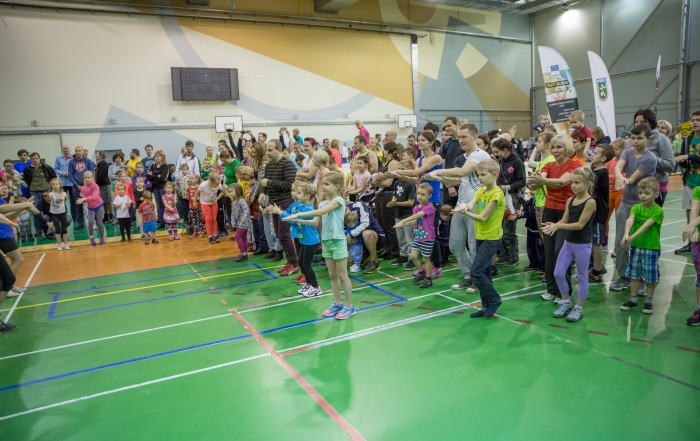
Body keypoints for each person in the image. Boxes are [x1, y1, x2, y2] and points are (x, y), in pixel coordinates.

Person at [424, 123, 490, 290]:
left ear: (475, 137)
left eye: (464, 137)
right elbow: (459, 180)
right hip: (461, 204)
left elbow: (462, 172)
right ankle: (468, 275)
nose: (461, 140)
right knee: (455, 243)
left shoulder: (480, 155)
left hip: (476, 205)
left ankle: (479, 280)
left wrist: (438, 172)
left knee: (474, 245)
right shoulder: (464, 157)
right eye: (459, 137)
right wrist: (437, 178)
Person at [284, 170, 355, 319]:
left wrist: (298, 214)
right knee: (332, 274)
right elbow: (314, 222)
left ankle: (349, 306)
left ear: (336, 186)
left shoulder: (339, 201)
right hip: (326, 241)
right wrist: (297, 220)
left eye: (327, 184)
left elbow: (320, 212)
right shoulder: (322, 203)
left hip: (337, 241)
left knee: (343, 275)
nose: (323, 187)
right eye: (323, 184)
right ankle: (337, 303)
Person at [528, 134, 582, 302]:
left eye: (559, 147)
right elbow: (536, 181)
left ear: (567, 148)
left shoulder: (574, 165)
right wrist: (533, 182)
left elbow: (562, 182)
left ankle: (563, 293)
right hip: (549, 210)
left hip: (566, 212)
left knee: (561, 251)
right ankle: (551, 289)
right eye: (553, 147)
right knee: (549, 251)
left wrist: (541, 180)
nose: (556, 150)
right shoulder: (549, 165)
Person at [542, 168, 598, 322]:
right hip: (568, 243)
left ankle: (578, 307)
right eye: (572, 182)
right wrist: (554, 224)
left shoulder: (590, 202)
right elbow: (565, 220)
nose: (573, 186)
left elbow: (579, 225)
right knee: (558, 273)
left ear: (587, 184)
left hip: (582, 245)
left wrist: (558, 226)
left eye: (577, 183)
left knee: (582, 277)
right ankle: (566, 302)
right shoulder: (570, 200)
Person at [453, 159, 506, 317]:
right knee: (485, 273)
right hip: (481, 236)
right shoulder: (481, 191)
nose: (479, 178)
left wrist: (466, 213)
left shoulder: (496, 195)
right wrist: (463, 207)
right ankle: (485, 306)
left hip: (492, 238)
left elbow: (483, 218)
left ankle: (495, 300)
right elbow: (470, 205)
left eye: (483, 175)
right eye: (478, 175)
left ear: (494, 175)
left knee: (476, 272)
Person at [610, 124, 658, 293]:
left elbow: (634, 178)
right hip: (626, 204)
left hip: (644, 207)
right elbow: (618, 167)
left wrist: (625, 180)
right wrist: (618, 175)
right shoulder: (628, 152)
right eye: (633, 138)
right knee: (620, 242)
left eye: (640, 138)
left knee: (641, 246)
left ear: (648, 139)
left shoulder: (650, 158)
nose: (635, 141)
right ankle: (624, 277)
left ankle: (643, 280)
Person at [390, 130, 444, 279]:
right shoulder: (419, 159)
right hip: (421, 200)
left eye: (423, 140)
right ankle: (429, 265)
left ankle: (437, 266)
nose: (419, 142)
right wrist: (398, 175)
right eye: (419, 140)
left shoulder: (435, 158)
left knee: (432, 234)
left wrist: (396, 172)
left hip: (432, 201)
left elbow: (416, 172)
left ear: (431, 142)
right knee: (423, 232)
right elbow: (416, 180)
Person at [619, 177, 663, 314]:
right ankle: (633, 300)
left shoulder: (658, 211)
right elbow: (630, 220)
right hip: (636, 247)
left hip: (651, 248)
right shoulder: (636, 207)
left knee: (650, 276)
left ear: (656, 194)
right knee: (634, 275)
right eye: (640, 193)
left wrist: (631, 237)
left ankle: (648, 302)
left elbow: (645, 226)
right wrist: (626, 234)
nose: (643, 196)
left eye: (647, 193)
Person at [259, 139, 298, 276]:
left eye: (270, 150)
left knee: (284, 235)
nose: (267, 153)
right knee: (279, 234)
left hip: (286, 203)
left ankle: (294, 263)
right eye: (267, 150)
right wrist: (263, 193)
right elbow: (264, 183)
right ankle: (289, 261)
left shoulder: (288, 165)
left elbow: (289, 185)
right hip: (274, 203)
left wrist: (269, 182)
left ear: (279, 150)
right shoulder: (269, 165)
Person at [277, 183, 320, 295]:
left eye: (299, 193)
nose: (297, 195)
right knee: (301, 262)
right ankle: (308, 284)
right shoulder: (302, 207)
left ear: (307, 196)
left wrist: (280, 213)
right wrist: (281, 213)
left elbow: (293, 219)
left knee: (307, 264)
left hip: (311, 241)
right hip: (304, 240)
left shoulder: (308, 209)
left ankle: (316, 287)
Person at [627, 109, 675, 206]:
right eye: (636, 122)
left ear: (651, 123)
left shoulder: (661, 139)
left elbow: (670, 166)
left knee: (651, 215)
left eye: (642, 122)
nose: (638, 124)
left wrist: (650, 158)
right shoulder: (629, 142)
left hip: (654, 187)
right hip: (633, 187)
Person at [491, 138, 526, 267]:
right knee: (499, 227)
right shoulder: (499, 161)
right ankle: (504, 255)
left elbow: (522, 181)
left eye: (497, 152)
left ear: (505, 150)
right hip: (500, 196)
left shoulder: (517, 162)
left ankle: (513, 256)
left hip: (512, 197)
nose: (496, 154)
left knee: (508, 228)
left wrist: (509, 187)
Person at [395, 183, 437, 288]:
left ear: (429, 196)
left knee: (426, 258)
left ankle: (428, 278)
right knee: (413, 256)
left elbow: (418, 215)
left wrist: (403, 220)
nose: (420, 196)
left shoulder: (429, 207)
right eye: (418, 193)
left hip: (427, 238)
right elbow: (416, 220)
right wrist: (405, 223)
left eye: (423, 194)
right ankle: (421, 273)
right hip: (418, 237)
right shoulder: (416, 207)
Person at [674, 110, 700, 255]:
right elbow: (685, 162)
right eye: (693, 120)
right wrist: (681, 161)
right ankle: (691, 242)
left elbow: (692, 157)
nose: (695, 122)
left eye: (698, 120)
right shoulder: (687, 140)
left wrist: (689, 156)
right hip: (690, 181)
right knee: (690, 211)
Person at [371, 142, 401, 260]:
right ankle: (388, 248)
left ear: (387, 150)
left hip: (388, 195)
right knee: (382, 224)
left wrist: (375, 182)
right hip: (382, 195)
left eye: (384, 149)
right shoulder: (388, 162)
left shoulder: (393, 163)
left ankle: (394, 250)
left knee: (389, 225)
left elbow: (388, 183)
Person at [588, 144, 611, 283]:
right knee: (593, 241)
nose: (592, 154)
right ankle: (597, 266)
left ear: (603, 158)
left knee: (597, 243)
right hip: (592, 213)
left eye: (595, 153)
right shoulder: (595, 170)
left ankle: (597, 271)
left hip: (598, 213)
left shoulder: (601, 172)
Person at [389, 160, 417, 269]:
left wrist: (396, 203)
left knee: (410, 238)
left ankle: (412, 259)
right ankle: (403, 256)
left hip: (408, 215)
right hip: (398, 214)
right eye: (399, 169)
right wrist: (393, 201)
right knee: (400, 238)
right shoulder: (397, 182)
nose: (400, 171)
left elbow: (410, 202)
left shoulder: (410, 184)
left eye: (403, 169)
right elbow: (395, 195)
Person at [24, 152, 57, 234]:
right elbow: (26, 179)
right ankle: (38, 229)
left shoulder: (46, 167)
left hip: (46, 190)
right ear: (30, 159)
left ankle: (50, 226)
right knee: (35, 210)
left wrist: (50, 186)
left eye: (36, 158)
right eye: (33, 159)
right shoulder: (27, 169)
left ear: (39, 158)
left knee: (49, 208)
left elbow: (54, 176)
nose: (35, 160)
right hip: (34, 191)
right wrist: (31, 185)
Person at [682, 184, 700, 326]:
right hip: (697, 240)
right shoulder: (698, 190)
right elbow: (694, 207)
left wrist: (693, 224)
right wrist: (694, 229)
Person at [193, 173, 228, 245]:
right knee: (208, 219)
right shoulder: (203, 185)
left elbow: (224, 191)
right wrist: (194, 201)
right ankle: (210, 236)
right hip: (205, 203)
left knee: (214, 219)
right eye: (216, 184)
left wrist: (230, 197)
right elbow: (197, 193)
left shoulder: (218, 184)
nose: (218, 185)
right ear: (211, 182)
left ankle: (215, 235)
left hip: (214, 203)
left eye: (218, 184)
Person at [68, 146, 95, 230]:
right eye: (76, 150)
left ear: (83, 151)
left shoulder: (89, 161)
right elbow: (70, 175)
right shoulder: (71, 162)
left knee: (91, 203)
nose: (78, 152)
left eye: (79, 150)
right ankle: (80, 222)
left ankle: (93, 221)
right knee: (78, 204)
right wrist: (77, 185)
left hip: (88, 185)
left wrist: (86, 184)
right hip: (76, 186)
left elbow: (92, 173)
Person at [606, 139, 625, 256]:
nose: (613, 151)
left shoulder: (625, 162)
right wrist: (614, 177)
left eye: (616, 149)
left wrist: (610, 176)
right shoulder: (611, 161)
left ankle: (617, 247)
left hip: (620, 192)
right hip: (609, 192)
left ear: (623, 150)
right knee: (604, 218)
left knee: (620, 221)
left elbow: (624, 176)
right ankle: (604, 244)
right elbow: (604, 172)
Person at [77, 171, 105, 246]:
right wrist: (82, 201)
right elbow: (86, 199)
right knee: (90, 222)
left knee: (99, 222)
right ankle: (91, 237)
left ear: (92, 178)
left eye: (89, 177)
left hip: (99, 205)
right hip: (90, 207)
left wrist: (84, 199)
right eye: (85, 178)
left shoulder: (96, 186)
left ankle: (102, 237)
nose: (87, 179)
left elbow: (94, 197)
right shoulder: (83, 188)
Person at [440, 117, 462, 208]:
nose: (447, 128)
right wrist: (449, 185)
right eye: (445, 126)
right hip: (448, 185)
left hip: (462, 184)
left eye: (449, 126)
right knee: (447, 212)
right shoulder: (446, 144)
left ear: (457, 124)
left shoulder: (463, 142)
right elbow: (443, 167)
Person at [146, 150, 170, 229]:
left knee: (164, 204)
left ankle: (167, 220)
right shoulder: (153, 166)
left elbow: (163, 178)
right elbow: (148, 176)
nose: (156, 158)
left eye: (158, 156)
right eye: (155, 156)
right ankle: (161, 222)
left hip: (162, 188)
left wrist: (153, 177)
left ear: (162, 157)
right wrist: (157, 176)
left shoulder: (165, 166)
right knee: (159, 205)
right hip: (155, 188)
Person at [226, 182, 250, 261]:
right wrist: (233, 222)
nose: (230, 193)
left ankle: (243, 253)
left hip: (243, 223)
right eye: (229, 191)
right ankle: (244, 254)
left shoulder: (241, 201)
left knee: (237, 236)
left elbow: (246, 209)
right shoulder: (234, 201)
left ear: (238, 191)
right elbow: (233, 213)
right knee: (243, 238)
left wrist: (244, 218)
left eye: (232, 191)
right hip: (238, 223)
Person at [48, 178, 70, 250]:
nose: (55, 186)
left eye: (57, 184)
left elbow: (63, 197)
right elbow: (47, 197)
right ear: (51, 186)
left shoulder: (63, 193)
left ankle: (66, 243)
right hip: (54, 214)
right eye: (53, 184)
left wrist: (61, 198)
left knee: (64, 229)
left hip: (62, 213)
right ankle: (59, 244)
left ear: (60, 185)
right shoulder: (51, 194)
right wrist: (46, 196)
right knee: (57, 230)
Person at [94, 150, 114, 224]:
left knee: (108, 201)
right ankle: (106, 216)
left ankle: (111, 216)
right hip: (101, 185)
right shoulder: (99, 164)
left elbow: (101, 175)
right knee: (104, 201)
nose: (96, 155)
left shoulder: (104, 164)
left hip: (105, 184)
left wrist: (96, 183)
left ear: (101, 155)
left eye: (97, 154)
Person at [54, 145, 73, 209]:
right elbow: (55, 169)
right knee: (62, 200)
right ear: (62, 150)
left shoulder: (74, 158)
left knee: (73, 200)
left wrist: (71, 174)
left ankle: (74, 214)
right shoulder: (58, 158)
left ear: (70, 149)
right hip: (62, 183)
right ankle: (64, 213)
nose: (66, 149)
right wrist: (61, 173)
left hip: (72, 183)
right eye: (64, 148)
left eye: (67, 148)